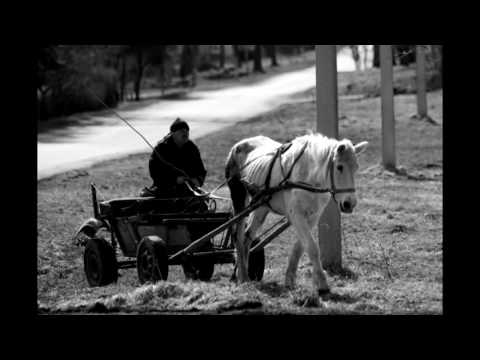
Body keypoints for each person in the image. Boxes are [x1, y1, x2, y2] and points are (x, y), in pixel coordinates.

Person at [141, 118, 207, 199]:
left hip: (188, 190)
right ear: (173, 133)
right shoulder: (162, 148)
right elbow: (155, 172)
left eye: (187, 131)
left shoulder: (192, 148)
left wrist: (197, 180)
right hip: (165, 189)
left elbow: (200, 169)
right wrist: (174, 180)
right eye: (181, 131)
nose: (185, 133)